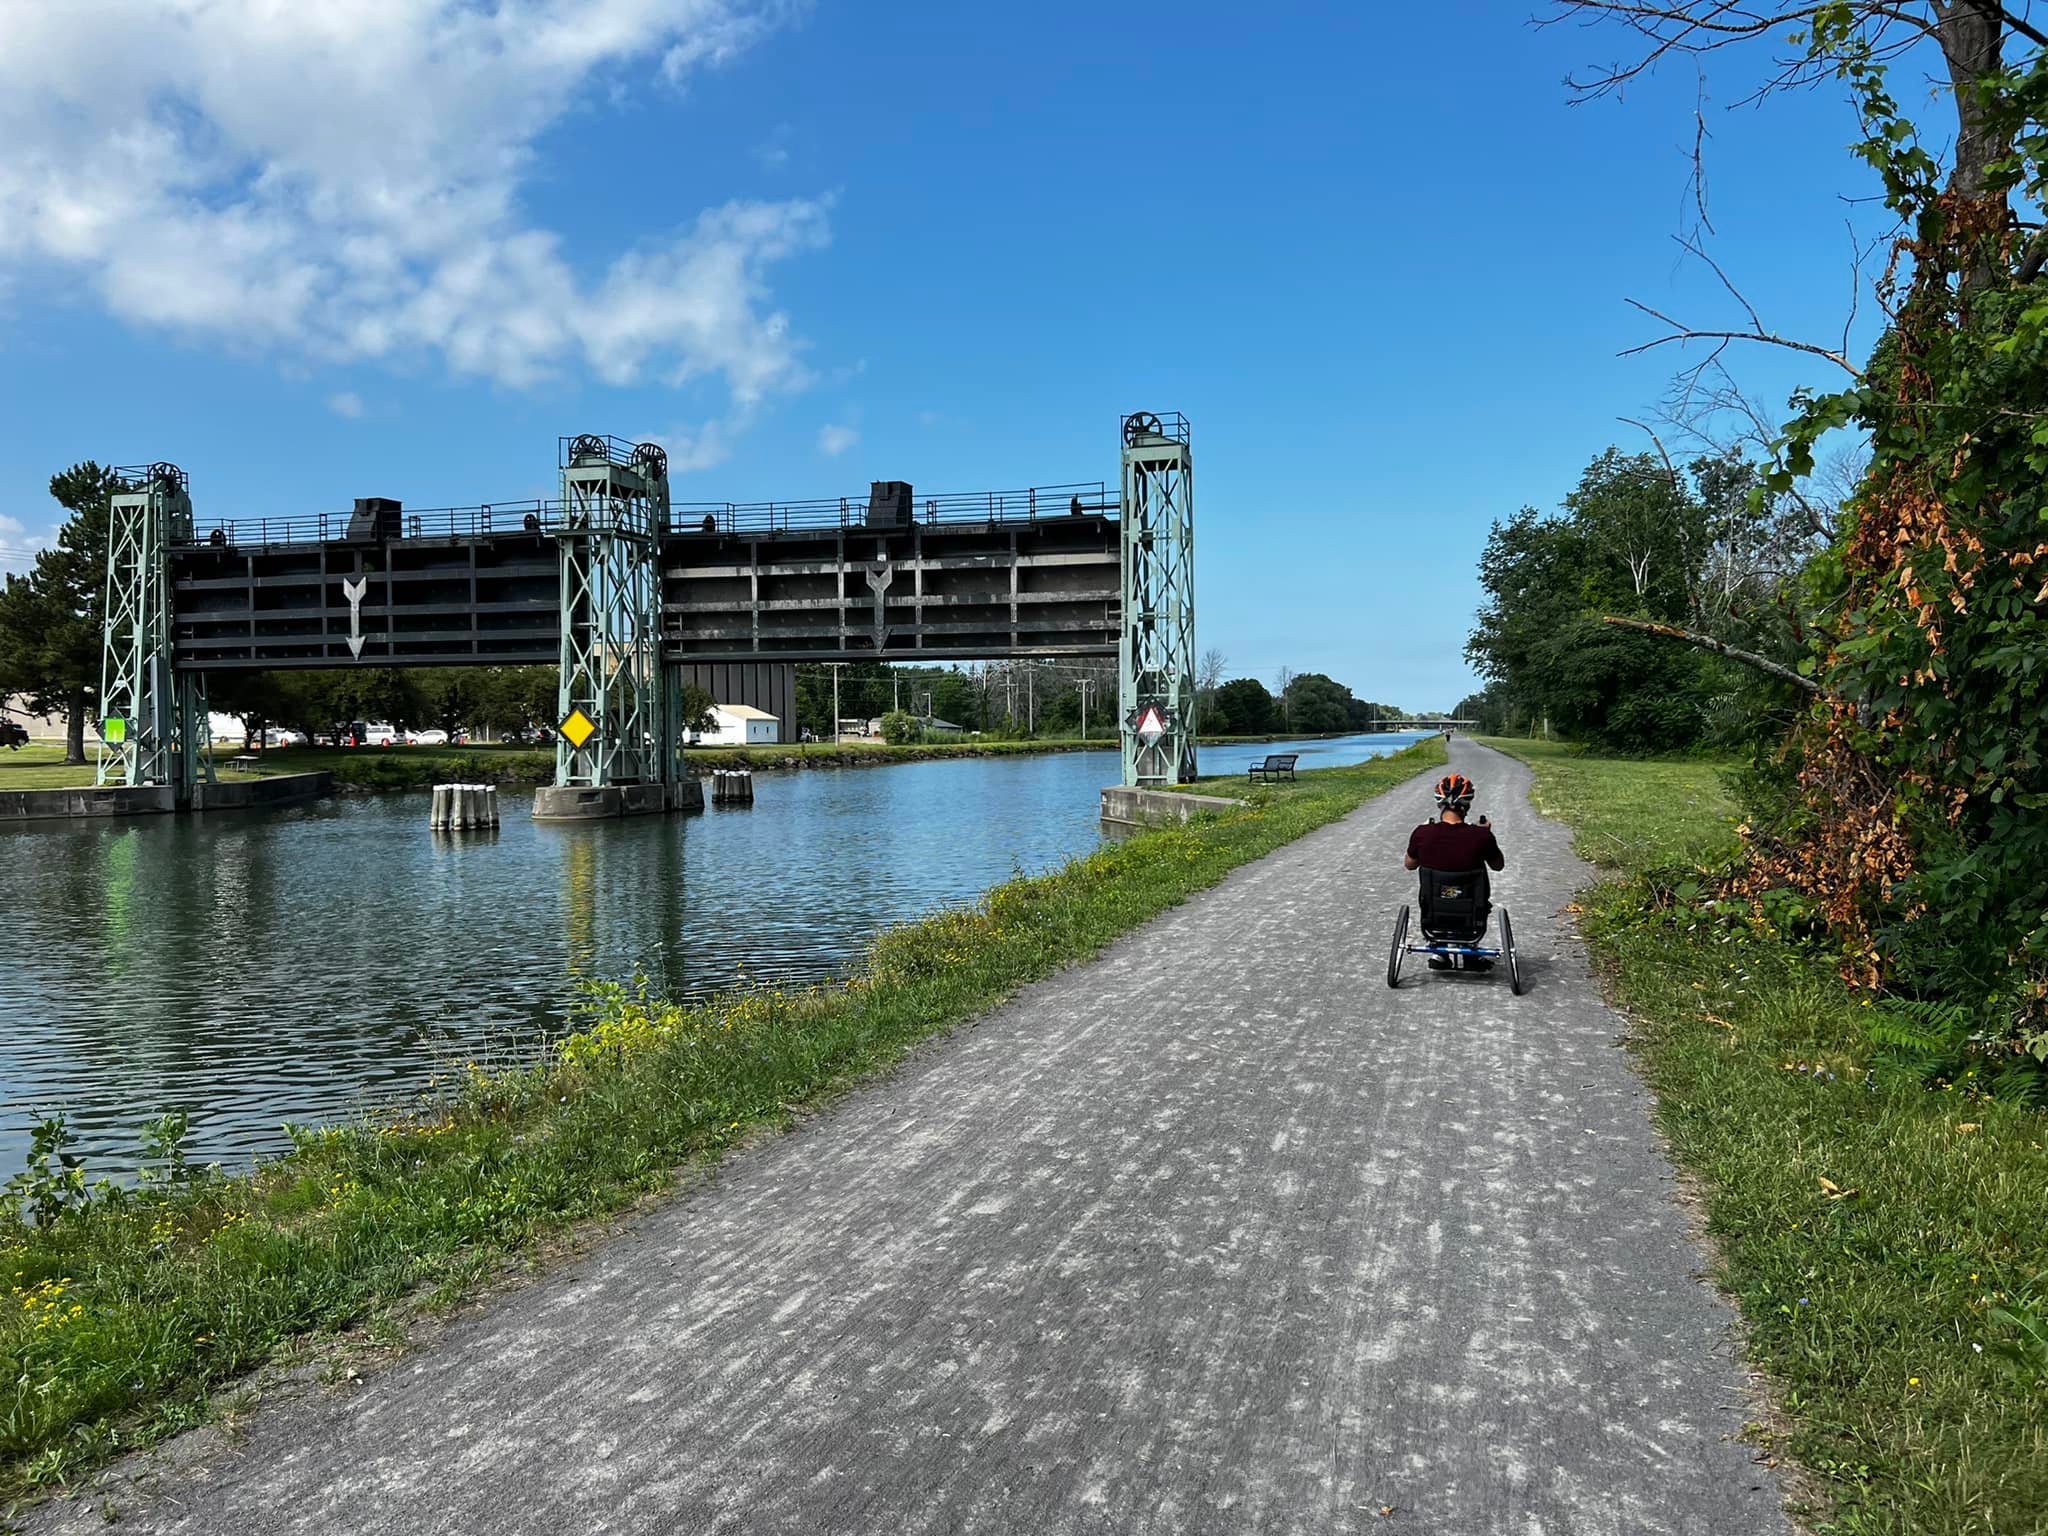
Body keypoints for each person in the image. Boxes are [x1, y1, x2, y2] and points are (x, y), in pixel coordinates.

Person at [1405, 772, 1505, 969]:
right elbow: (1498, 865)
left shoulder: (1422, 833)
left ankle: (1440, 951)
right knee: (1470, 896)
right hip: (1471, 911)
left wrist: (1423, 831)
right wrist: (1486, 833)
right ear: (1467, 805)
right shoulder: (1481, 836)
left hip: (1434, 910)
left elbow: (1409, 864)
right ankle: (1470, 951)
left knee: (1439, 895)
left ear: (1439, 804)